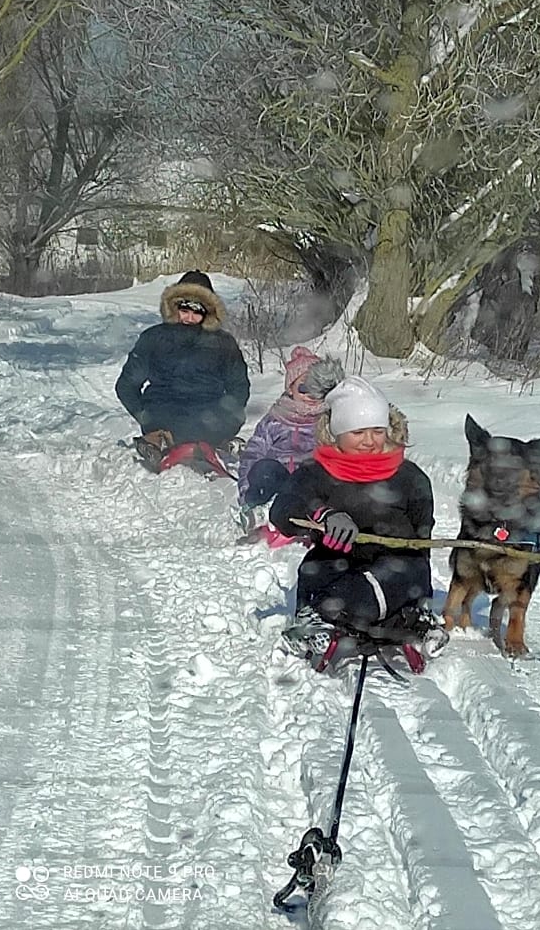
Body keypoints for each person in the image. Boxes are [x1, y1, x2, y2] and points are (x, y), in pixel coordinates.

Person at [269, 376, 445, 672]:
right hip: (335, 564)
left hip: (395, 571)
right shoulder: (316, 472)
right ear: (337, 433)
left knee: (404, 572)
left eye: (377, 430)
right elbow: (282, 511)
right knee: (324, 574)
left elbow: (421, 537)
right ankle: (330, 618)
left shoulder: (410, 478)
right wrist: (321, 515)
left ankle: (329, 616)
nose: (369, 441)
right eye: (357, 432)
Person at [115, 270, 250, 463]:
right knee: (171, 423)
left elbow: (239, 386)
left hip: (210, 410)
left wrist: (229, 411)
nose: (189, 318)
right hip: (164, 409)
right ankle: (159, 441)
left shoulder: (223, 343)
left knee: (218, 419)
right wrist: (143, 415)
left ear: (208, 312)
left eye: (196, 313)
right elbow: (127, 384)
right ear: (174, 307)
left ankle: (220, 444)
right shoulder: (154, 338)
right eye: (184, 311)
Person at [237, 349, 344, 547]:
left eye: (317, 389)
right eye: (304, 388)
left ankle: (309, 519)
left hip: (308, 486)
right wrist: (246, 490)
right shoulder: (275, 419)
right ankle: (259, 512)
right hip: (278, 483)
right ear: (290, 389)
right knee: (264, 468)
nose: (311, 395)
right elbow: (252, 454)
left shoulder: (328, 421)